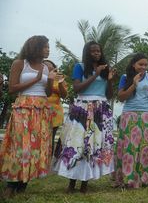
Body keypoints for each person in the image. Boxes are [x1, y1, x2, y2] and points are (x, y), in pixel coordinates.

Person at [52, 41, 116, 193]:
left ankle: (85, 184)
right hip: (83, 108)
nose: (96, 53)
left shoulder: (104, 69)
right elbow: (77, 88)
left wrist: (110, 80)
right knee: (77, 144)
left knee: (93, 146)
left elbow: (109, 94)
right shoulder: (79, 67)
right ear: (87, 52)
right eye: (93, 51)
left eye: (99, 51)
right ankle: (71, 183)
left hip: (100, 109)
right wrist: (96, 74)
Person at [0, 35, 56, 199]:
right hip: (24, 106)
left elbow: (48, 92)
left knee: (36, 147)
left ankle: (24, 183)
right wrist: (36, 79)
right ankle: (11, 184)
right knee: (20, 146)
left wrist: (50, 81)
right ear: (35, 47)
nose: (48, 49)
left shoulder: (46, 67)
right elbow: (11, 88)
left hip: (42, 108)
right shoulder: (20, 63)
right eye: (45, 46)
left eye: (48, 47)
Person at [114, 53, 148, 188]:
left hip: (147, 115)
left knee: (146, 147)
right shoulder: (125, 77)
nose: (144, 67)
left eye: (146, 65)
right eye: (141, 64)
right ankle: (128, 177)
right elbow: (121, 97)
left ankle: (147, 178)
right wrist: (134, 84)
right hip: (129, 115)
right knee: (130, 147)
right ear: (133, 64)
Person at [43, 60, 68, 154]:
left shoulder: (59, 79)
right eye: (44, 66)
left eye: (50, 67)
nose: (47, 68)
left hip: (54, 114)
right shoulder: (39, 78)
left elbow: (64, 95)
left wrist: (60, 83)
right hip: (39, 109)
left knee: (50, 138)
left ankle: (47, 161)